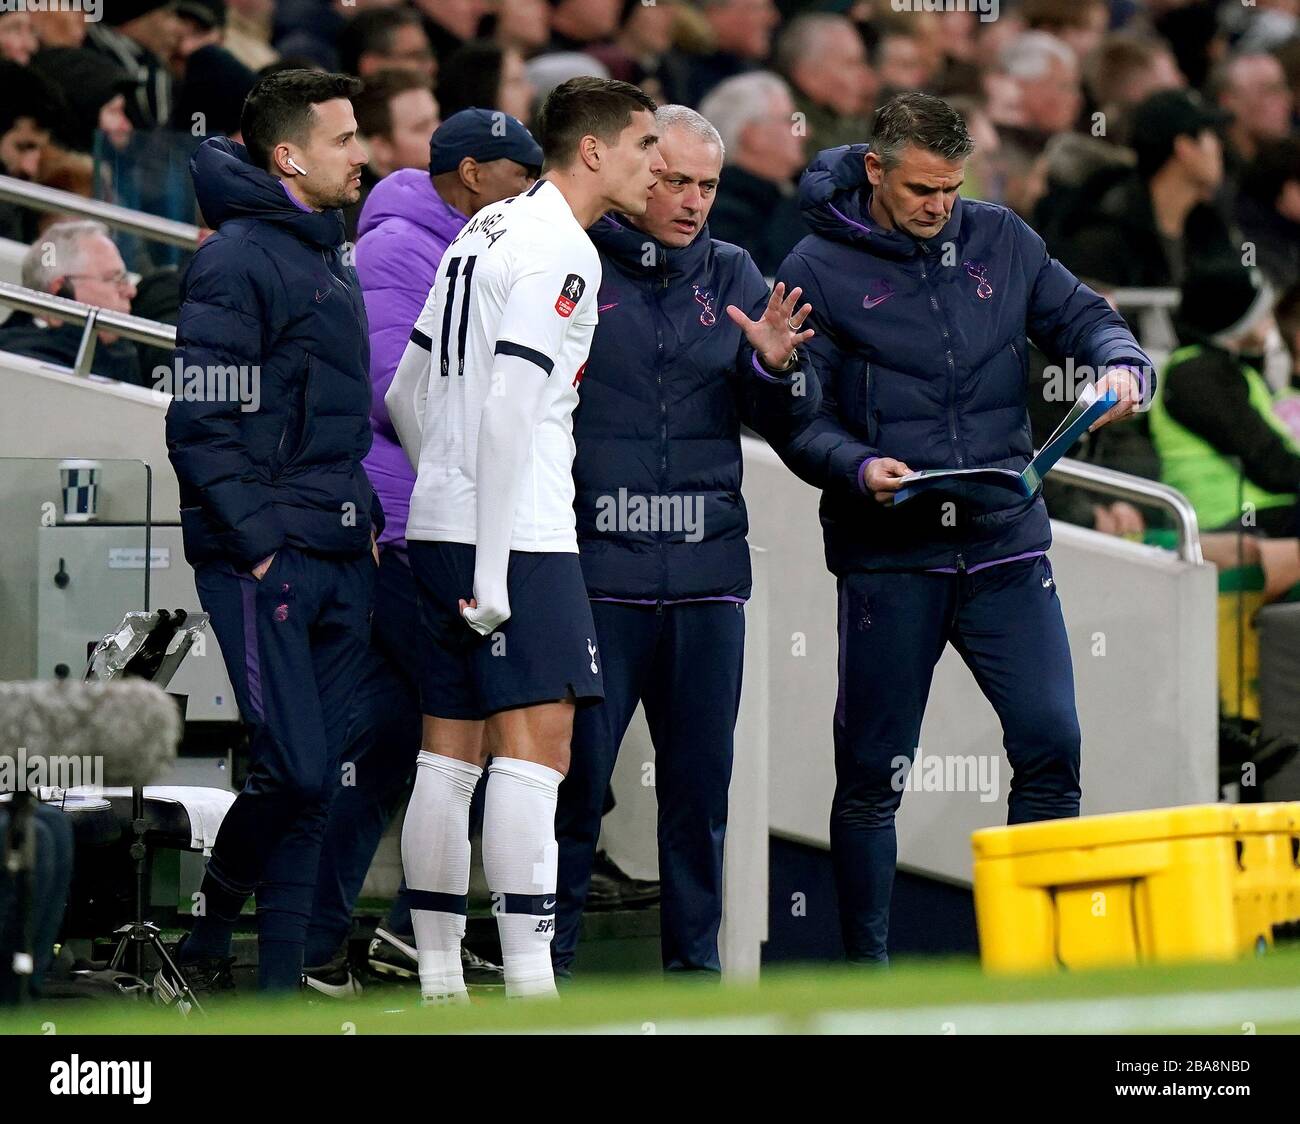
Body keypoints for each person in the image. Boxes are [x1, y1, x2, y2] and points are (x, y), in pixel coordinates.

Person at [774, 92, 1152, 964]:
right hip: (889, 554)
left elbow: (1084, 317)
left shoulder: (1003, 238)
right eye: (919, 189)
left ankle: (1030, 968)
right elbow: (799, 417)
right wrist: (857, 466)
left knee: (1052, 742)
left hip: (1003, 541)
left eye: (950, 189)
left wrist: (1125, 364)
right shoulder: (815, 265)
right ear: (875, 169)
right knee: (873, 775)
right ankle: (865, 981)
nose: (938, 208)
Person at [383, 76, 663, 1002]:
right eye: (644, 147)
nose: (656, 166)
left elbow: (400, 395)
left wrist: (450, 500)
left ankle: (435, 983)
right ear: (593, 150)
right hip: (521, 540)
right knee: (536, 757)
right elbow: (508, 404)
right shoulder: (561, 250)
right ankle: (533, 988)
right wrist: (496, 560)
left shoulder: (481, 228)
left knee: (446, 755)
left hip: (439, 527)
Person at [553, 104, 818, 978]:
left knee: (699, 795)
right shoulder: (575, 260)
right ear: (636, 173)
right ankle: (544, 962)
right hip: (597, 575)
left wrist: (775, 369)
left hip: (708, 581)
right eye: (673, 180)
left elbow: (777, 416)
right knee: (573, 788)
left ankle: (696, 973)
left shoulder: (735, 272)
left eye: (707, 185)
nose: (692, 201)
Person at [302, 107, 542, 996]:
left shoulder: (463, 243)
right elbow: (389, 390)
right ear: (474, 174)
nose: (535, 193)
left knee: (399, 738)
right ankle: (388, 931)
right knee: (478, 723)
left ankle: (346, 938)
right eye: (523, 176)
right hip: (412, 527)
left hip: (436, 523)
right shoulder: (406, 248)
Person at [162, 69, 383, 998]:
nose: (362, 153)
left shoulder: (327, 251)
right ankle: (212, 916)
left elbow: (336, 417)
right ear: (289, 156)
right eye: (343, 139)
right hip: (270, 556)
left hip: (338, 551)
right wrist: (259, 541)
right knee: (293, 769)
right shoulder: (236, 258)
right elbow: (199, 422)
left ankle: (275, 985)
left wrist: (359, 522)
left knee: (317, 782)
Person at [1151, 262, 1300, 539]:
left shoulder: (1231, 369)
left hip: (1265, 508)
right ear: (1236, 320)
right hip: (1225, 518)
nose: (1270, 319)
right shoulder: (1195, 375)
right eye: (1260, 311)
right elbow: (1266, 461)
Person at [1060, 89, 1237, 289]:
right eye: (1210, 135)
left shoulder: (1208, 231)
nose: (1219, 147)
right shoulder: (1106, 240)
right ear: (1184, 147)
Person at [0, 221, 143, 386]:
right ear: (59, 295)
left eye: (125, 278)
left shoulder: (119, 351)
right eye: (114, 278)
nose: (131, 291)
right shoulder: (23, 364)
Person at [698, 72, 808, 277]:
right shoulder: (717, 214)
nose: (805, 132)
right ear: (753, 135)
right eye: (791, 121)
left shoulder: (789, 192)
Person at [343, 68, 441, 239]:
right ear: (381, 148)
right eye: (421, 128)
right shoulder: (365, 224)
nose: (441, 133)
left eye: (437, 118)